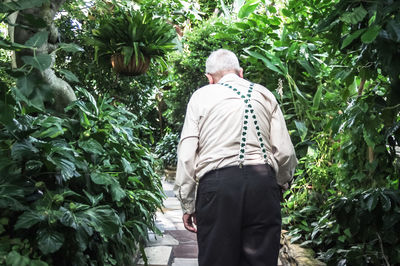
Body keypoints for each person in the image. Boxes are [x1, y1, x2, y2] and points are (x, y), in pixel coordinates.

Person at [174, 49, 297, 266]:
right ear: (240, 73)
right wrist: (279, 185)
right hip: (262, 184)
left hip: (218, 188)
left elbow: (186, 156)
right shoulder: (264, 94)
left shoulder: (201, 96)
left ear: (209, 78)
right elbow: (285, 152)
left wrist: (188, 204)